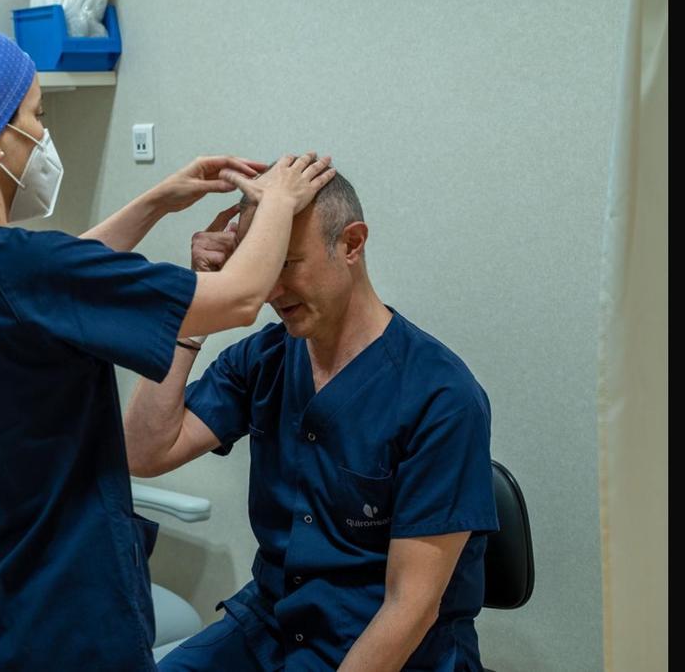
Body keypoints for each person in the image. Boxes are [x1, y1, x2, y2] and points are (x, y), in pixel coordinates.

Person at [0, 19, 336, 671]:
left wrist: (157, 200)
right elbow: (235, 297)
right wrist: (282, 200)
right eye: (36, 116)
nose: (43, 133)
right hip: (60, 615)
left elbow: (44, 288)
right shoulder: (22, 270)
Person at [124, 167, 498, 671]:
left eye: (288, 264)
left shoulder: (440, 395)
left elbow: (410, 608)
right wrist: (195, 302)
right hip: (270, 627)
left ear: (352, 244)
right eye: (259, 267)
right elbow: (144, 452)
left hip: (386, 649)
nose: (271, 291)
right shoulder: (266, 358)